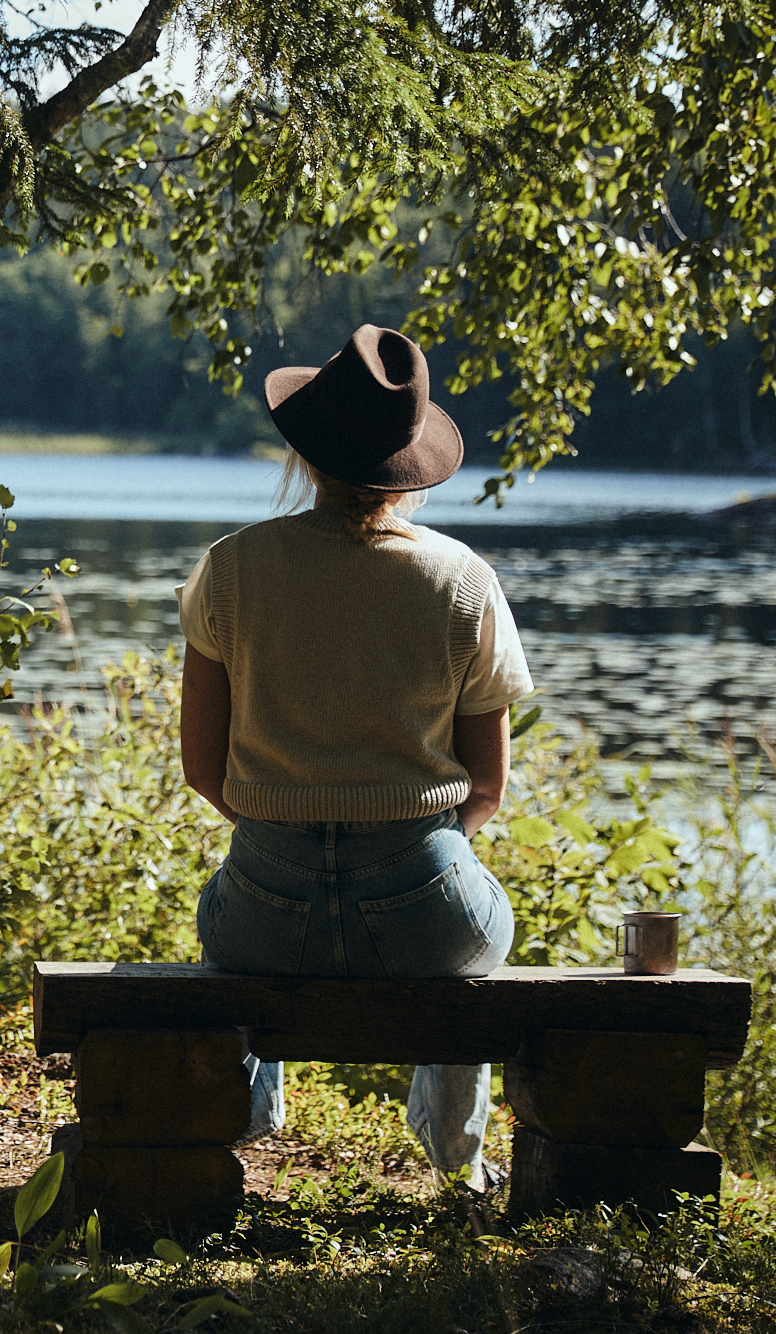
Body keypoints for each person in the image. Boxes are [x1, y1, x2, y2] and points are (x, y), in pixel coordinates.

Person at [175, 324, 534, 1188]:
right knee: (488, 928)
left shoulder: (230, 569)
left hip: (265, 911)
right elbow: (486, 786)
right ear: (407, 460)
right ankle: (457, 1151)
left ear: (307, 451)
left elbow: (202, 766)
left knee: (220, 919)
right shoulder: (464, 579)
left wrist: (287, 816)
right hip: (425, 914)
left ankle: (253, 1108)